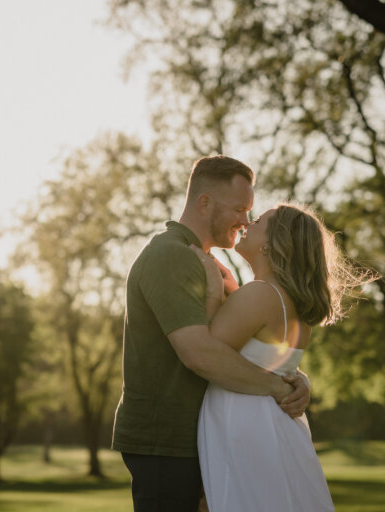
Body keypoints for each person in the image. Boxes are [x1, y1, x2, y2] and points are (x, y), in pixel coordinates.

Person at [111, 156, 311, 512]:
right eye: (239, 209)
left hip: (199, 439)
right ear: (204, 202)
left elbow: (247, 345)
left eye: (250, 212)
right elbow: (199, 353)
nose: (246, 221)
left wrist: (294, 376)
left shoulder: (207, 265)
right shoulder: (172, 256)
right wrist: (278, 388)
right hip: (166, 441)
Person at [195, 203, 374, 512]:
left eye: (258, 221)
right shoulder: (286, 301)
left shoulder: (261, 294)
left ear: (273, 242)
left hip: (244, 428)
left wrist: (213, 293)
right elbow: (271, 360)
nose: (247, 224)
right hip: (270, 427)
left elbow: (206, 351)